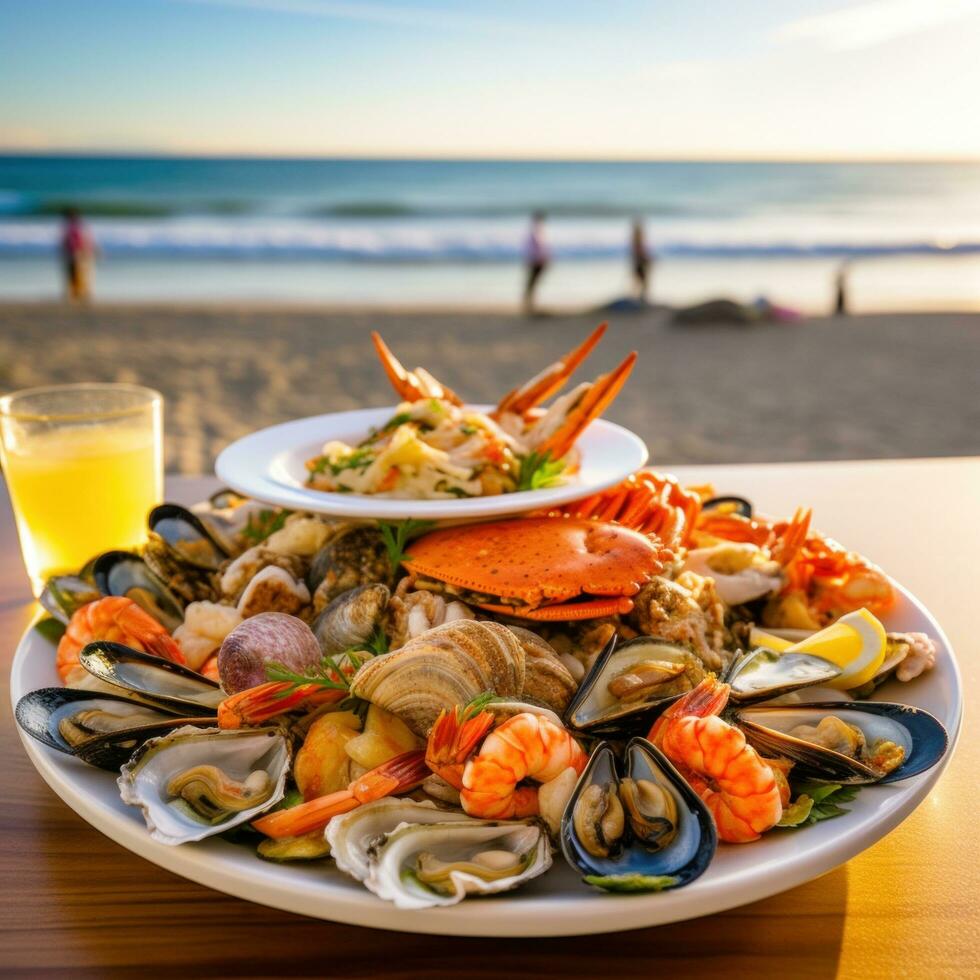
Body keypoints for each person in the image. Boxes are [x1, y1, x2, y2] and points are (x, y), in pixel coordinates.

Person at [61, 207, 96, 302]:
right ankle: (80, 293)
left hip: (77, 252)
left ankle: (79, 294)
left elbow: (73, 241)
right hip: (79, 252)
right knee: (78, 273)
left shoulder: (74, 227)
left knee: (76, 273)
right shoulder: (80, 225)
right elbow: (88, 239)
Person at [523, 211, 550, 315]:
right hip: (536, 260)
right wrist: (543, 258)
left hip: (534, 260)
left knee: (532, 283)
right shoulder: (536, 231)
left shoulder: (535, 231)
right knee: (532, 283)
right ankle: (529, 305)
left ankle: (530, 305)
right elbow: (538, 247)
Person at [630, 219, 652, 303]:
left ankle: (638, 299)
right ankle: (640, 300)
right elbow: (640, 253)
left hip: (638, 263)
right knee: (642, 282)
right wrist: (647, 259)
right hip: (639, 264)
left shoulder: (636, 240)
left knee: (639, 282)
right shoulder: (637, 241)